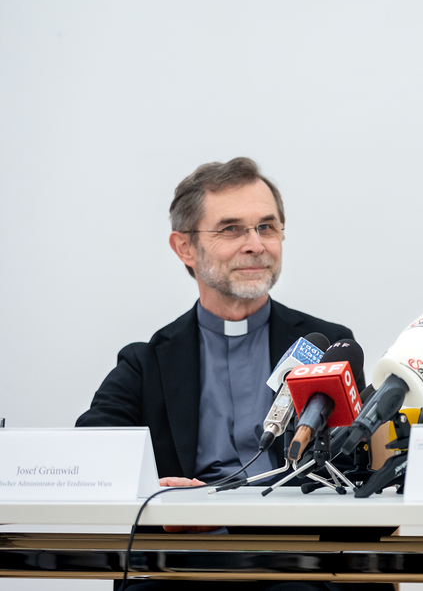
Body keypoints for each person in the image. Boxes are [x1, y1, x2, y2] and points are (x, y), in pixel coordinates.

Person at [77, 157, 389, 591]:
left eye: (266, 227)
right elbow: (93, 453)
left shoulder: (329, 346)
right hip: (182, 564)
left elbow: (355, 464)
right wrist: (166, 497)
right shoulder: (146, 362)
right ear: (185, 247)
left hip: (295, 562)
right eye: (231, 229)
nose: (255, 244)